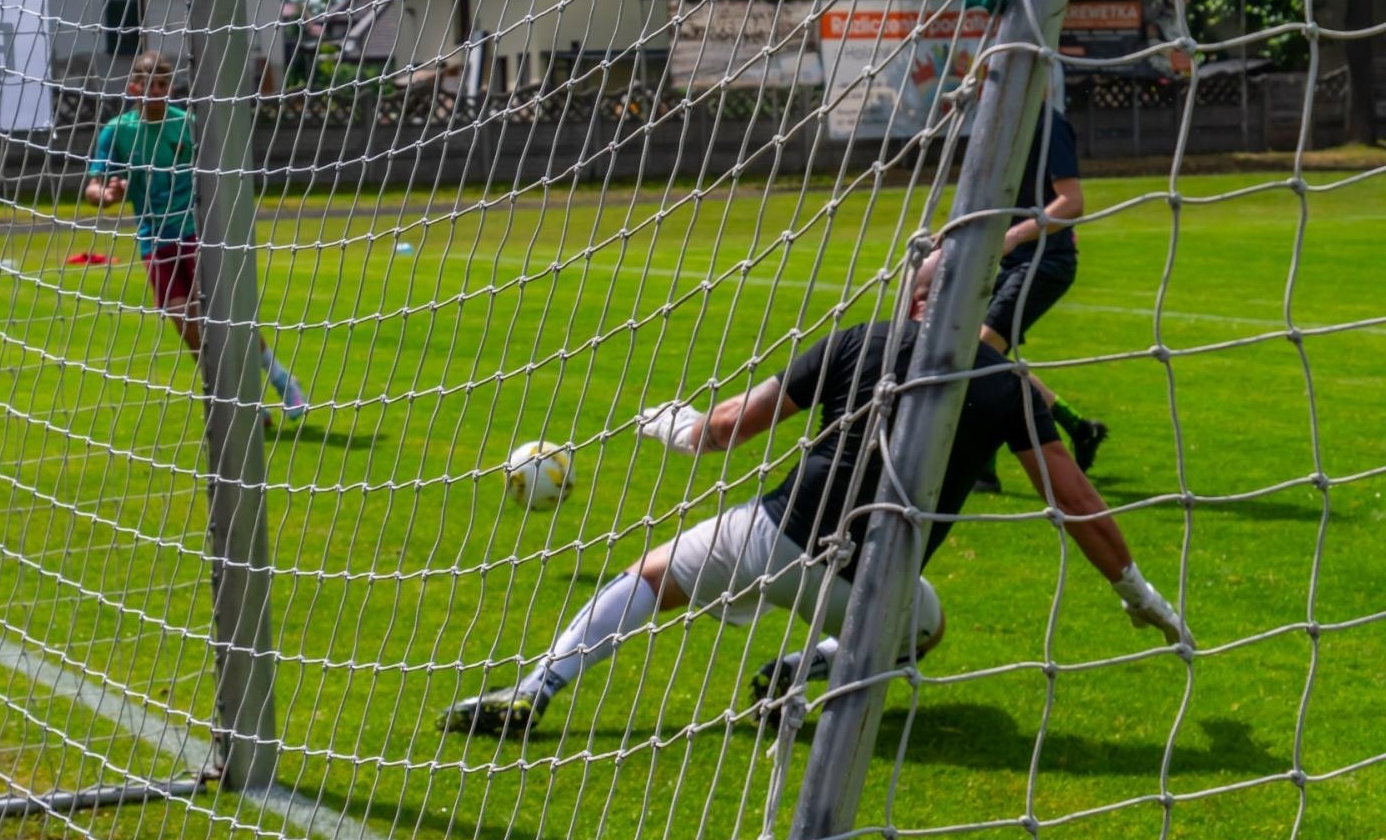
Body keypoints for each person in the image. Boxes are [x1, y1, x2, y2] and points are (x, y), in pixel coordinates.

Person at [437, 251, 1187, 737]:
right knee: (924, 624)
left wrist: (673, 423)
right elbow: (1076, 501)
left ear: (917, 299)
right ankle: (806, 666)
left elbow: (725, 430)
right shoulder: (1005, 384)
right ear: (980, 306)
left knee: (653, 574)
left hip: (776, 536)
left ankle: (535, 691)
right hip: (870, 586)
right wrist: (1134, 587)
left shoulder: (860, 337)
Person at [85, 51, 308, 428]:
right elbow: (94, 183)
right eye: (149, 85)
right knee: (185, 326)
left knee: (228, 320)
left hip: (198, 236)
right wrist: (106, 195)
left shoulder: (188, 124)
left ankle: (282, 380)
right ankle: (240, 404)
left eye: (163, 84)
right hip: (154, 242)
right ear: (133, 87)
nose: (156, 91)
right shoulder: (116, 131)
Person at [974, 105, 1106, 493]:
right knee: (987, 359)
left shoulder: (1049, 125)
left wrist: (1017, 234)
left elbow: (1072, 201)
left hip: (1045, 263)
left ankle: (983, 471)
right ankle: (1079, 426)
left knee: (978, 355)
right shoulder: (997, 126)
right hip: (1012, 263)